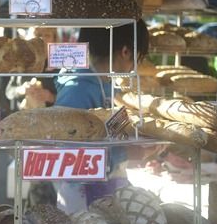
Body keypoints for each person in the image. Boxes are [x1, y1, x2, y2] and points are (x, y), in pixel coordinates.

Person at [53, 20, 150, 214]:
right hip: (82, 203)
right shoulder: (78, 91)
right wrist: (126, 154)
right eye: (137, 59)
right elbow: (66, 157)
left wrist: (135, 142)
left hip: (106, 191)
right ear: (126, 51)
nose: (134, 68)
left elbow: (110, 134)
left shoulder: (108, 86)